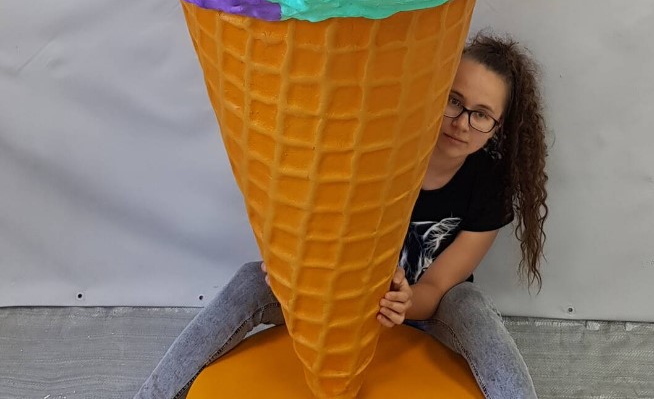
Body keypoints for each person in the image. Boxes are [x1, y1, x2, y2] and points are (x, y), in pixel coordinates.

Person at [134, 33, 549, 399]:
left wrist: (405, 303)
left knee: (469, 301)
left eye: (481, 114)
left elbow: (439, 285)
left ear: (498, 126)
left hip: (423, 311)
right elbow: (318, 224)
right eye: (454, 101)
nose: (462, 123)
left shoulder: (491, 184)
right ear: (435, 90)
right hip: (340, 301)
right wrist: (290, 267)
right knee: (250, 279)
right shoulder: (380, 146)